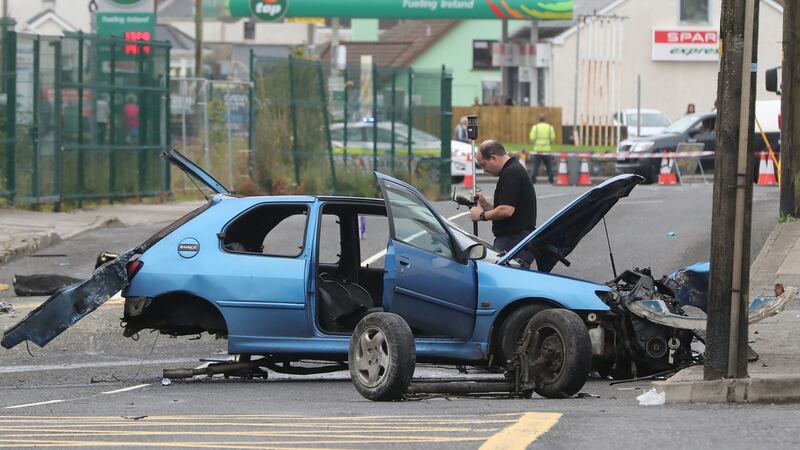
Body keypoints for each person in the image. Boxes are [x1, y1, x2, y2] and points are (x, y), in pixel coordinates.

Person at [469, 140, 536, 263]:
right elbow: (507, 207)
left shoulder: (511, 173)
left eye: (484, 165)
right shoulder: (511, 170)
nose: (484, 170)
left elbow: (506, 210)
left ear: (493, 158)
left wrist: (482, 215)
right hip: (516, 240)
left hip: (513, 241)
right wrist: (485, 204)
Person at [528, 114, 556, 184]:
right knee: (548, 166)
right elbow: (553, 138)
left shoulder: (535, 127)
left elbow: (532, 138)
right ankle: (551, 180)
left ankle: (533, 180)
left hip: (537, 150)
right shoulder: (550, 127)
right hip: (546, 150)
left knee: (535, 166)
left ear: (539, 120)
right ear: (545, 120)